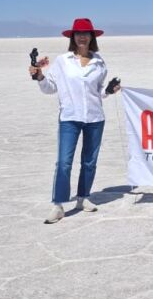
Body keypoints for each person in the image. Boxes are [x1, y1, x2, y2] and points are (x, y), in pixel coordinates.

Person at [30, 18, 120, 224]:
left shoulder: (99, 62)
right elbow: (50, 88)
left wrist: (108, 90)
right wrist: (40, 77)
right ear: (72, 37)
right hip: (70, 118)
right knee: (63, 162)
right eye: (78, 33)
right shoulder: (63, 61)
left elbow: (97, 92)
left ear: (92, 37)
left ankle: (83, 198)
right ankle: (58, 205)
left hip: (95, 118)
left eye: (86, 33)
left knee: (89, 162)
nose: (82, 36)